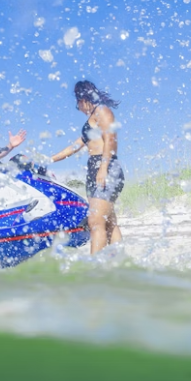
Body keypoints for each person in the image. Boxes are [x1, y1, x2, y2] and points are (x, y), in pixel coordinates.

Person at [51, 80, 125, 253]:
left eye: (78, 105)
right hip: (95, 167)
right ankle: (119, 262)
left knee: (95, 221)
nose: (80, 109)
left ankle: (95, 269)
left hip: (106, 166)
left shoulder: (102, 111)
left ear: (83, 99)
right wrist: (48, 159)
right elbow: (74, 147)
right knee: (108, 223)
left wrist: (103, 168)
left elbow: (110, 139)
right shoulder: (91, 120)